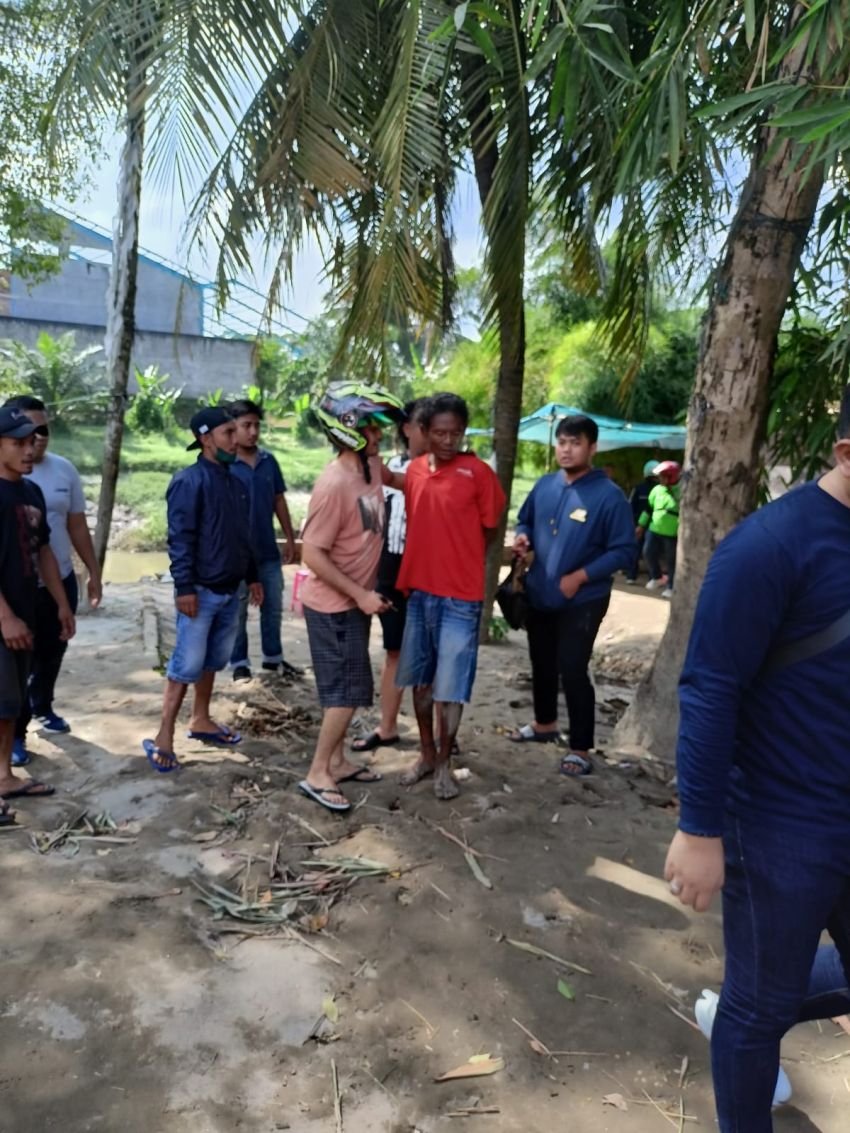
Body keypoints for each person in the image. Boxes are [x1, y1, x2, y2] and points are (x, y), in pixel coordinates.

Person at [664, 388, 850, 1133]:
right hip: (780, 823)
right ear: (845, 453)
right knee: (759, 1009)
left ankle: (742, 995)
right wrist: (700, 830)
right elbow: (709, 691)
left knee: (766, 989)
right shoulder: (771, 547)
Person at [298, 381, 406, 813]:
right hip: (334, 606)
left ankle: (339, 762)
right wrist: (361, 594)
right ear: (348, 430)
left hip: (354, 604)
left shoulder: (370, 469)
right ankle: (318, 771)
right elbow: (312, 553)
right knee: (345, 693)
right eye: (373, 428)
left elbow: (397, 486)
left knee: (349, 686)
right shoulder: (335, 482)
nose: (380, 436)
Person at [395, 393, 506, 801]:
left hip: (461, 597)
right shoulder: (413, 471)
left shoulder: (478, 473)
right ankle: (425, 753)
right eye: (439, 433)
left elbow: (491, 527)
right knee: (420, 683)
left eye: (456, 433)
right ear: (422, 432)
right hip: (420, 593)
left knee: (451, 686)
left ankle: (444, 763)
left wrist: (460, 555)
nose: (448, 440)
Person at [510, 414, 635, 775]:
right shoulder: (545, 485)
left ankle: (580, 747)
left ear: (592, 447)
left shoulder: (609, 496)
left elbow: (625, 551)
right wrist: (523, 536)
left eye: (575, 443)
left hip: (583, 600)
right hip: (540, 592)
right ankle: (545, 725)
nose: (566, 449)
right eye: (562, 442)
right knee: (541, 662)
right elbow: (525, 519)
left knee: (572, 668)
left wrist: (581, 576)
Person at [142, 407, 262, 772]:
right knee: (186, 663)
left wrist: (253, 575)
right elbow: (180, 539)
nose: (236, 439)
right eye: (228, 433)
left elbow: (245, 535)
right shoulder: (188, 481)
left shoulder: (236, 481)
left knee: (213, 659)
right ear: (206, 439)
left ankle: (201, 719)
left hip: (230, 589)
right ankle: (164, 735)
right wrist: (184, 588)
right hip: (200, 591)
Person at [2, 395, 102, 766]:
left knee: (44, 658)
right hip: (11, 599)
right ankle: (14, 742)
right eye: (23, 437)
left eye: (40, 432)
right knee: (8, 682)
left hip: (48, 585)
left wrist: (84, 580)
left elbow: (60, 535)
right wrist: (5, 615)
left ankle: (40, 707)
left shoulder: (46, 481)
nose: (34, 443)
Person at [0, 406, 76, 812]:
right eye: (18, 443)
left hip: (29, 608)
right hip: (5, 616)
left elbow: (43, 548)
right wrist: (5, 616)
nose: (29, 451)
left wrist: (62, 602)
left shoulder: (30, 492)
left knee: (10, 701)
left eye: (31, 442)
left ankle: (4, 778)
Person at [351, 398, 430, 754]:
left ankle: (438, 734)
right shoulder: (389, 469)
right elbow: (369, 517)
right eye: (418, 424)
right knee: (394, 649)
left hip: (427, 568)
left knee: (431, 652)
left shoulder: (440, 473)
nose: (423, 432)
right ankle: (387, 727)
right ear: (406, 429)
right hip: (388, 566)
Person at [226, 398, 300, 682]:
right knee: (238, 611)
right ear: (233, 428)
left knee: (272, 606)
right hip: (236, 556)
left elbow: (279, 500)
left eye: (256, 425)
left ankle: (273, 659)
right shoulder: (226, 464)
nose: (253, 432)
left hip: (267, 551)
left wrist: (290, 538)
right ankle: (239, 664)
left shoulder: (269, 461)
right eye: (247, 425)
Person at [637, 459, 680, 597]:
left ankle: (671, 586)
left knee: (671, 560)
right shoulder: (656, 490)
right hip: (653, 529)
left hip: (672, 532)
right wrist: (641, 525)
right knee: (647, 552)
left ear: (670, 476)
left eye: (661, 476)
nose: (659, 478)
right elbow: (648, 509)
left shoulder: (682, 490)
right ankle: (657, 577)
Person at [625, 459, 657, 584]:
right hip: (653, 526)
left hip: (637, 524)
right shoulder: (660, 489)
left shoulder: (638, 488)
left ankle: (631, 576)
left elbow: (630, 505)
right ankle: (652, 577)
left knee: (636, 550)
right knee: (651, 551)